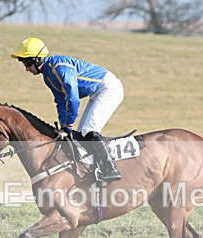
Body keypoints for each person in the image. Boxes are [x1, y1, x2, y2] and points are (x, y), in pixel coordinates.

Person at [11, 37, 123, 182]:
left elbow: (72, 99)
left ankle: (111, 169)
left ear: (38, 59)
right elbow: (61, 102)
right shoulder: (48, 76)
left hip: (108, 88)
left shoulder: (60, 69)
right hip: (97, 91)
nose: (26, 68)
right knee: (82, 134)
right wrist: (64, 126)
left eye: (27, 62)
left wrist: (68, 126)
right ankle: (95, 169)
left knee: (89, 130)